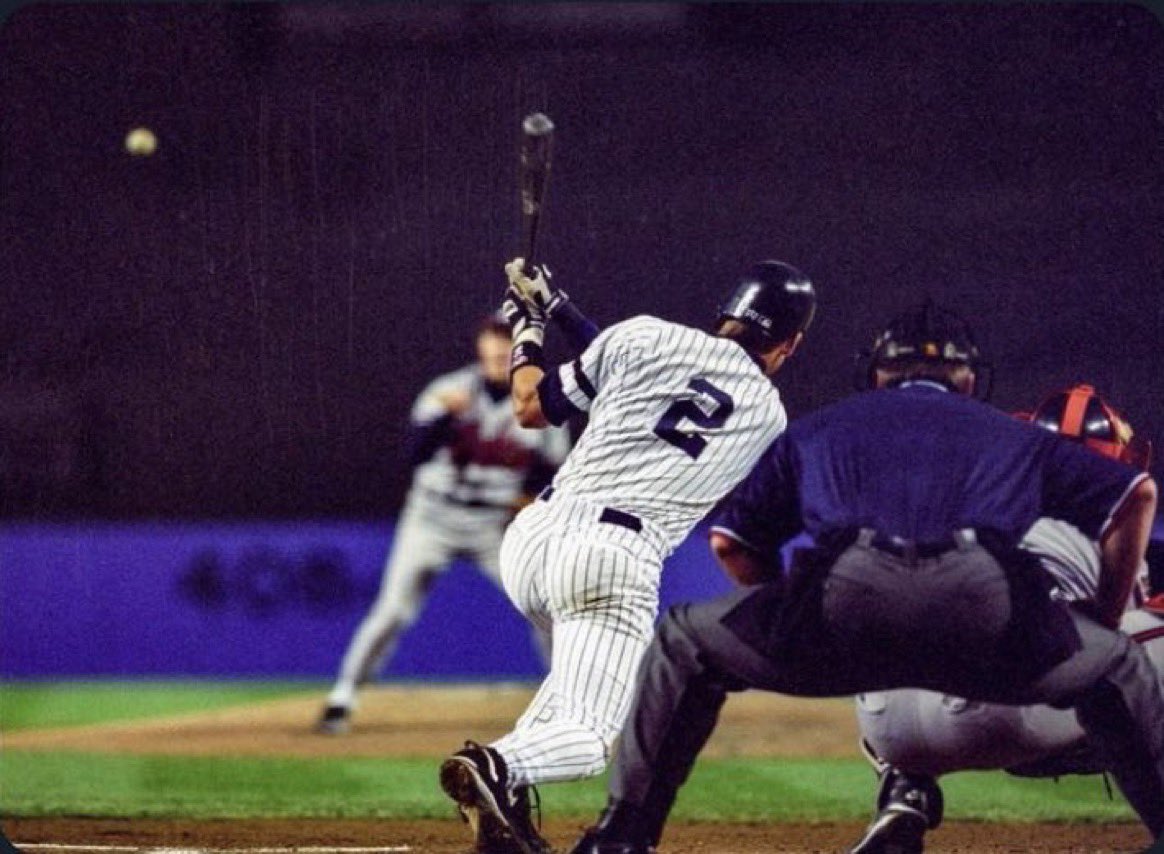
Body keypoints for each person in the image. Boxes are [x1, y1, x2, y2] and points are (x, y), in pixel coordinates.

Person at [568, 300, 1164, 853]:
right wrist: (1103, 619)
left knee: (681, 637)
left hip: (859, 639)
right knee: (1113, 662)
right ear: (966, 378)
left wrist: (786, 617)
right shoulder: (1010, 435)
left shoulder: (819, 426)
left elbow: (730, 542)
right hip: (983, 608)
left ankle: (623, 833)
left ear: (877, 373)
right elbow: (1136, 494)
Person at [437, 257, 817, 854]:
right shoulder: (768, 415)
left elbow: (533, 406)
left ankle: (504, 811)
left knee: (573, 691)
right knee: (589, 739)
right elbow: (670, 395)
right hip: (610, 558)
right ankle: (495, 766)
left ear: (726, 310)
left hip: (531, 536)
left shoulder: (638, 333)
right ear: (789, 345)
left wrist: (532, 328)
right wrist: (556, 312)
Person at [849, 383, 1161, 853]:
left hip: (886, 724)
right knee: (1111, 647)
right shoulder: (1116, 511)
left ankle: (903, 796)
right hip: (1006, 718)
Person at [315, 315, 570, 735]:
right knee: (392, 611)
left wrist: (531, 500)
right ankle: (343, 695)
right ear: (481, 346)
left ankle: (567, 700)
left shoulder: (541, 400)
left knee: (540, 606)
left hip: (494, 525)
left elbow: (556, 473)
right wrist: (444, 420)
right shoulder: (448, 391)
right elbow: (413, 454)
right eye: (495, 344)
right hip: (431, 518)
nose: (500, 352)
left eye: (509, 345)